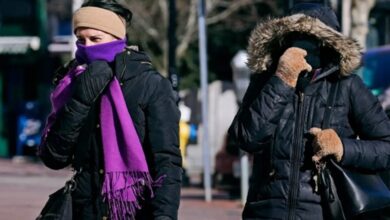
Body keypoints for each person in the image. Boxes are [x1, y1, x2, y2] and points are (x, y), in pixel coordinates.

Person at [228, 2, 390, 220]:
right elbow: (245, 138)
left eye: (312, 38)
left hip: (325, 211)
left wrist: (343, 147)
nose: (303, 46)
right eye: (294, 37)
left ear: (328, 44)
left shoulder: (347, 86)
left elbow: (386, 147)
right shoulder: (266, 81)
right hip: (266, 212)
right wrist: (282, 80)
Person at [38, 1, 182, 219]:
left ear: (118, 38)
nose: (87, 47)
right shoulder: (72, 83)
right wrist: (81, 99)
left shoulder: (151, 85)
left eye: (96, 39)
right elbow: (54, 157)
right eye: (81, 40)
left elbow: (167, 162)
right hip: (84, 210)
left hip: (134, 212)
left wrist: (164, 216)